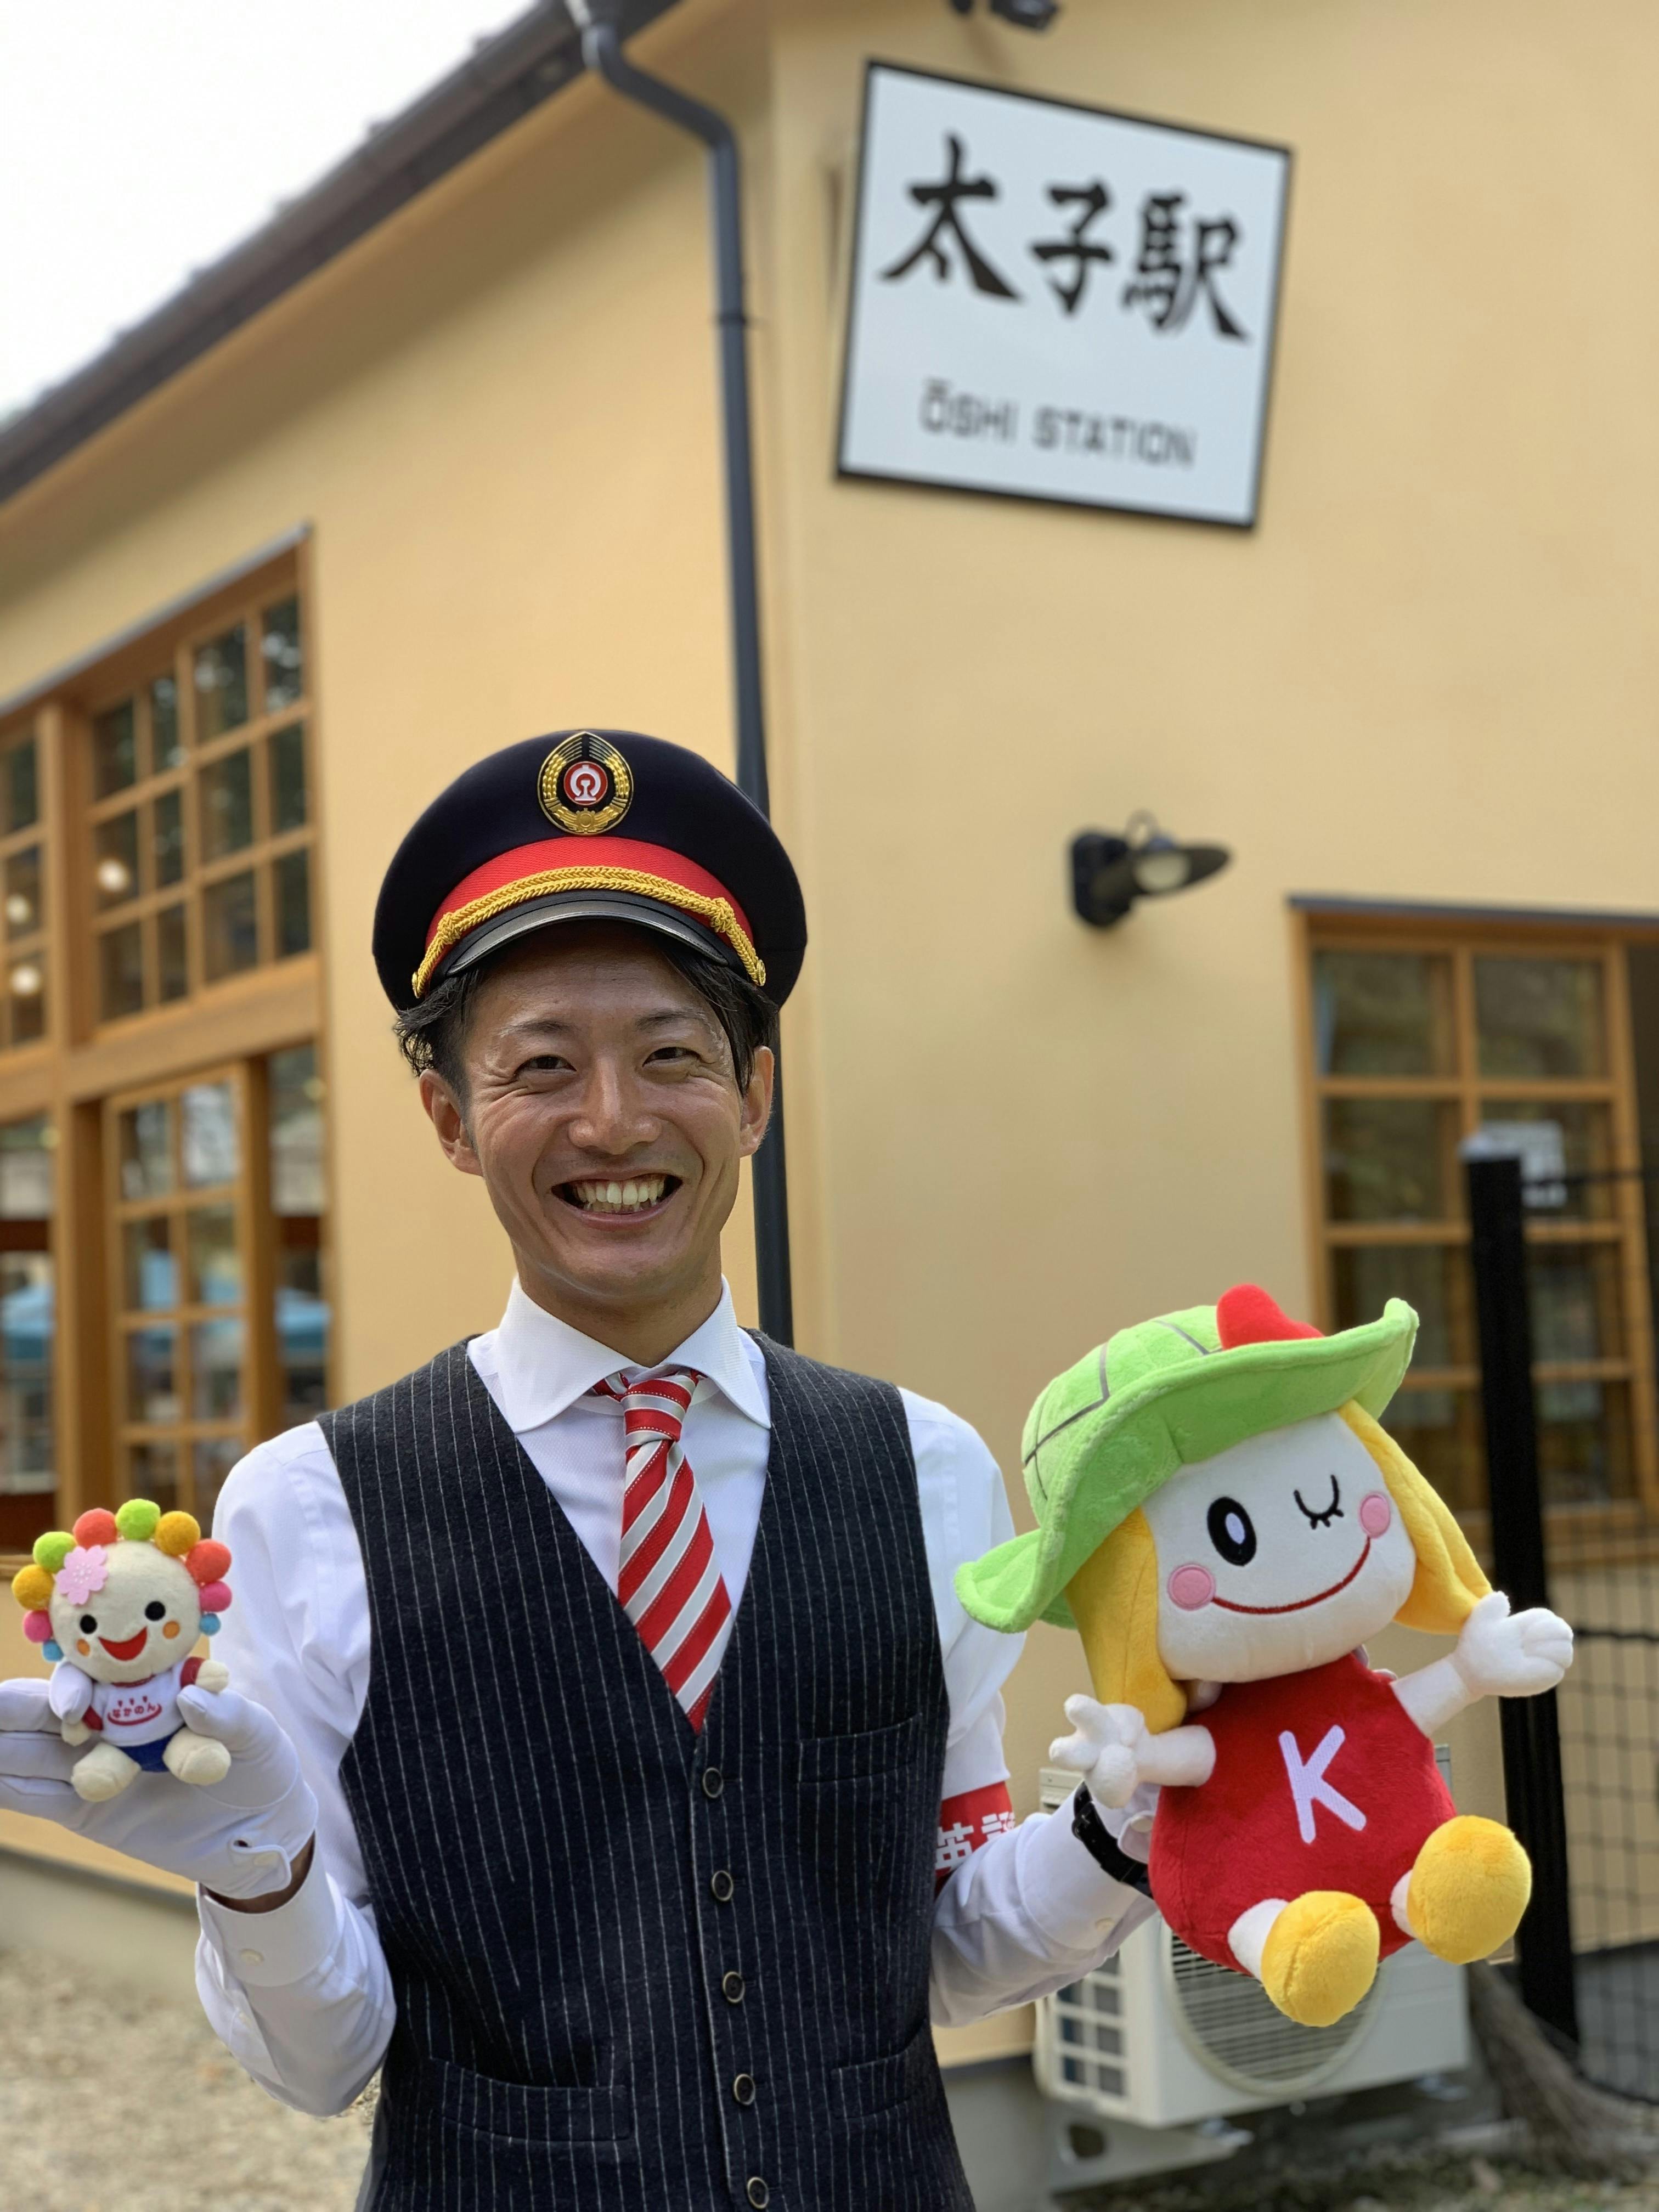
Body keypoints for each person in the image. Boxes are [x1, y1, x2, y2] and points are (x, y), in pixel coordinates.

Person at [0, 730, 1154, 2211]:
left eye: (672, 1054)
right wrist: (256, 1864)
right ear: (450, 1118)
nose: (613, 1122)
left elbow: (948, 1948)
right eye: (542, 1066)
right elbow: (324, 2065)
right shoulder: (308, 1507)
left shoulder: (926, 1469)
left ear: (755, 1094)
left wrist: (1126, 1834)